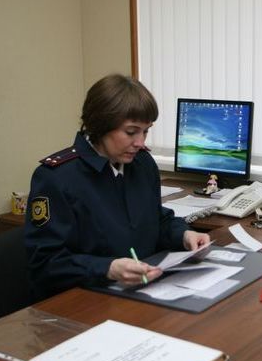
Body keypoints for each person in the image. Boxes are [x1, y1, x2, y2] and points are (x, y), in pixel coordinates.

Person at [25, 74, 210, 300]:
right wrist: (107, 268)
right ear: (100, 125)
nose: (140, 142)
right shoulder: (57, 177)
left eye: (146, 131)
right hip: (82, 302)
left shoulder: (142, 164)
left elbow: (154, 220)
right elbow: (45, 264)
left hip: (143, 293)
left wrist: (183, 234)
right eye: (131, 132)